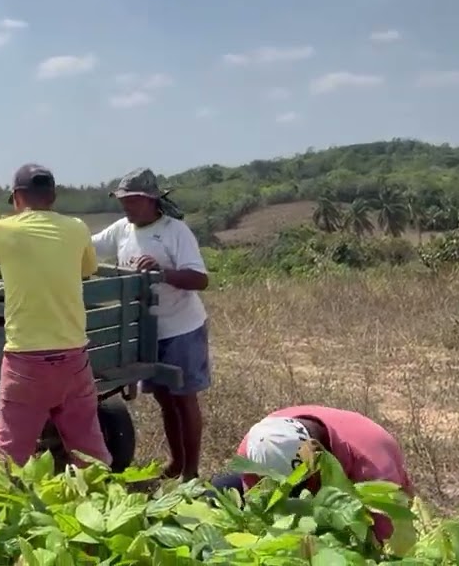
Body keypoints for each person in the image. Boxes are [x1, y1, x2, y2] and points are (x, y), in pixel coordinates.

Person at [0, 164, 111, 469]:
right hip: (74, 358)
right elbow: (89, 269)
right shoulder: (77, 228)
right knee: (90, 453)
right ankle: (101, 490)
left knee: (12, 458)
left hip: (26, 362)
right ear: (53, 197)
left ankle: (12, 494)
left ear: (16, 198)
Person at [92, 168, 210, 480]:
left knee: (183, 398)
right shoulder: (122, 229)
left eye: (131, 200)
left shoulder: (175, 231)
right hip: (146, 331)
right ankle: (177, 463)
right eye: (123, 200)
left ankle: (191, 473)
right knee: (164, 400)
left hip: (181, 328)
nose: (125, 206)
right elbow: (89, 246)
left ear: (150, 200)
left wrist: (162, 272)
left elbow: (200, 279)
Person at [211, 405, 415, 543]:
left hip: (354, 490)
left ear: (317, 452)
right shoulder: (257, 442)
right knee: (214, 492)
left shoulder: (373, 464)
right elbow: (257, 507)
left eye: (297, 483)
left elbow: (384, 538)